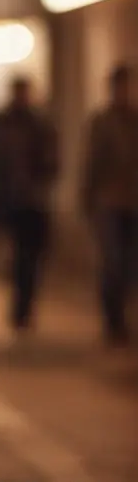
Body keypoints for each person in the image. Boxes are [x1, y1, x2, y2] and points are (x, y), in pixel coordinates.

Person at [0, 77, 58, 330]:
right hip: (9, 200)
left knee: (32, 258)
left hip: (34, 201)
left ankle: (25, 307)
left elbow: (52, 160)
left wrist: (43, 180)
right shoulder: (1, 123)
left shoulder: (40, 124)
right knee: (17, 257)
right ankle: (19, 306)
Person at [82, 64, 138, 346]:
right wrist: (87, 200)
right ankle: (113, 320)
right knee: (112, 262)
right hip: (109, 202)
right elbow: (92, 164)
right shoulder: (102, 122)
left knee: (129, 264)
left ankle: (122, 318)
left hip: (133, 204)